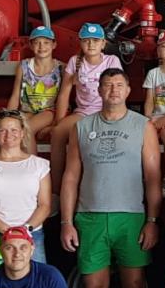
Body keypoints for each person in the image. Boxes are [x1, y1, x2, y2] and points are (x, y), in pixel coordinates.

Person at [60, 68, 161, 288]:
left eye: (119, 84)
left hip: (131, 217)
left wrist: (152, 220)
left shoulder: (143, 126)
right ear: (99, 90)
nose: (113, 90)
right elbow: (71, 177)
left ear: (129, 90)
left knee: (135, 287)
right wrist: (66, 221)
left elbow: (153, 177)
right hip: (90, 217)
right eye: (107, 85)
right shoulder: (82, 127)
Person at [0, 110, 51, 282]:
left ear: (22, 133)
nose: (9, 135)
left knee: (34, 287)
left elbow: (45, 205)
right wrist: (6, 230)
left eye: (14, 130)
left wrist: (25, 230)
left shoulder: (39, 165)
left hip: (30, 235)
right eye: (2, 130)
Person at [50, 22, 122, 186]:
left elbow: (119, 91)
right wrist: (58, 121)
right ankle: (56, 185)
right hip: (83, 112)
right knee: (58, 132)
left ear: (103, 43)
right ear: (80, 43)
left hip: (106, 111)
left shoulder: (111, 61)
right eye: (86, 40)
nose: (91, 44)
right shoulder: (75, 61)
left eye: (96, 40)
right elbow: (64, 94)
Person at [6, 25, 62, 143]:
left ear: (54, 45)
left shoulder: (61, 67)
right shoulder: (24, 66)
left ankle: (30, 156)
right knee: (10, 129)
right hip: (27, 111)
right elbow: (15, 95)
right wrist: (8, 117)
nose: (42, 47)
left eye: (46, 42)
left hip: (49, 112)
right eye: (37, 43)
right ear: (31, 45)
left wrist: (56, 123)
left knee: (27, 130)